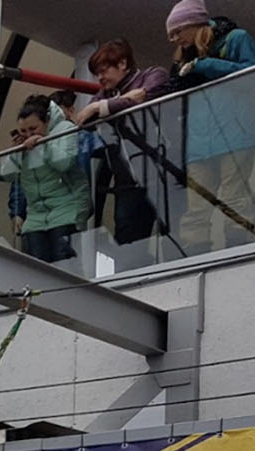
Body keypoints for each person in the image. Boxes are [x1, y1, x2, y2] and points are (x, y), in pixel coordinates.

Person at [165, 1, 255, 254]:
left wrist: (207, 65)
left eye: (176, 32)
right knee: (197, 206)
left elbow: (251, 73)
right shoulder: (186, 57)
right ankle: (195, 254)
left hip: (235, 134)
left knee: (233, 198)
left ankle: (236, 252)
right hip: (198, 141)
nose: (173, 39)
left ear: (192, 24)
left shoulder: (235, 39)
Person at [77, 39, 175, 267]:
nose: (100, 78)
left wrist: (102, 107)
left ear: (123, 63)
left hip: (162, 173)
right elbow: (83, 120)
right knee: (128, 239)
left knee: (171, 233)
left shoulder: (154, 74)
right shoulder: (105, 94)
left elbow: (152, 94)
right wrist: (125, 100)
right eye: (96, 73)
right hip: (128, 181)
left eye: (104, 71)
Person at [0, 94, 92, 267]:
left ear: (47, 121)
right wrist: (16, 152)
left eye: (33, 129)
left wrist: (43, 143)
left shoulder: (65, 129)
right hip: (35, 217)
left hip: (66, 213)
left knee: (65, 268)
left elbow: (63, 162)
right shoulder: (25, 145)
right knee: (38, 271)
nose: (28, 135)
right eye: (23, 131)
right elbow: (7, 175)